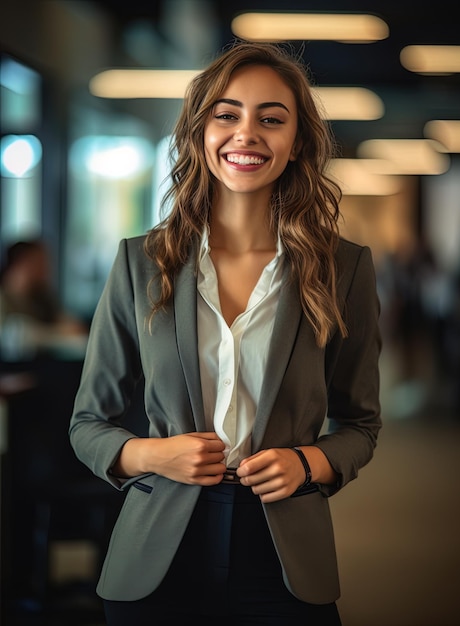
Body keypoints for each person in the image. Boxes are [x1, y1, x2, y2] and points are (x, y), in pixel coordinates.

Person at [69, 40, 382, 625]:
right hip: (159, 554)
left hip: (284, 555)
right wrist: (152, 453)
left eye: (271, 118)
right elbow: (88, 424)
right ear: (199, 132)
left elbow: (361, 424)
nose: (247, 134)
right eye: (227, 114)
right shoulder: (140, 263)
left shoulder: (344, 268)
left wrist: (310, 461)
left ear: (297, 143)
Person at [0, 239, 87, 360]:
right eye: (40, 262)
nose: (47, 268)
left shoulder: (42, 296)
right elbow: (12, 335)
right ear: (23, 262)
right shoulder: (3, 298)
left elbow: (73, 328)